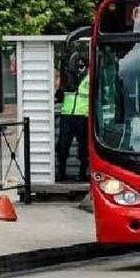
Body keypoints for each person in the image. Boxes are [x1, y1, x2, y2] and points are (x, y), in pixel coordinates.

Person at [56, 53, 90, 182]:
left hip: (83, 115)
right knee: (62, 146)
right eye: (77, 63)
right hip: (67, 114)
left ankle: (82, 173)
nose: (79, 66)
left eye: (82, 64)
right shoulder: (69, 75)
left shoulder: (90, 76)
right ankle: (61, 173)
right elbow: (59, 91)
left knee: (83, 147)